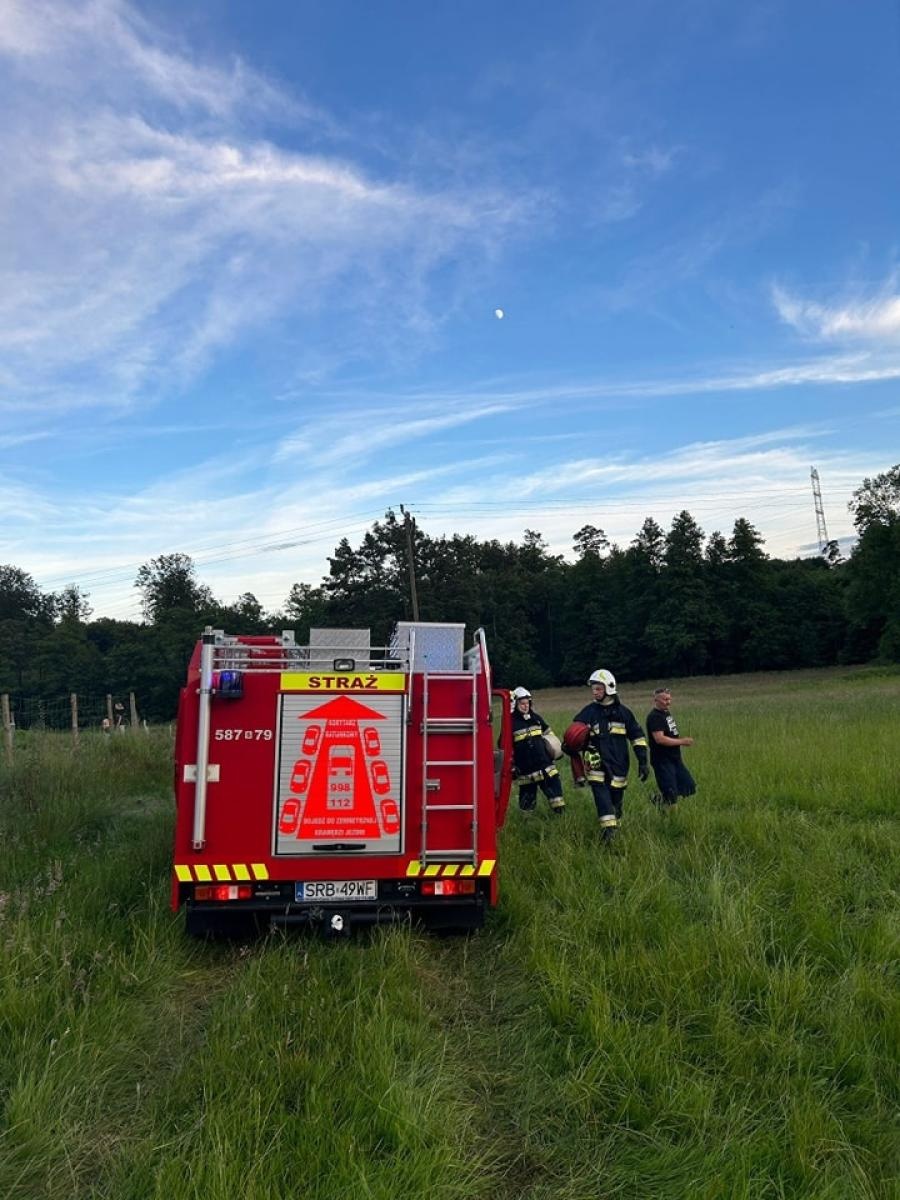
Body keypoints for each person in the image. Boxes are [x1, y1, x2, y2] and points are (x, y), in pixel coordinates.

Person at [570, 669, 648, 841]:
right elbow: (574, 732)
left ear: (609, 688)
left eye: (598, 688)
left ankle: (614, 825)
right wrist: (570, 744)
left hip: (619, 764)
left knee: (616, 801)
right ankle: (608, 833)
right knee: (601, 796)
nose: (595, 692)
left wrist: (643, 761)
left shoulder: (624, 713)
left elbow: (637, 737)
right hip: (596, 763)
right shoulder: (589, 711)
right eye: (593, 689)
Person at [510, 686, 565, 815]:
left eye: (527, 703)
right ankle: (528, 825)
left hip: (545, 766)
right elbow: (504, 745)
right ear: (515, 704)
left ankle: (561, 818)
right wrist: (512, 765)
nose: (525, 706)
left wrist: (555, 749)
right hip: (526, 770)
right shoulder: (510, 723)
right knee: (526, 806)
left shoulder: (536, 718)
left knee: (557, 798)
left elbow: (550, 735)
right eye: (522, 703)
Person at [646, 686, 696, 807]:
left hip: (675, 759)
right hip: (662, 761)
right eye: (665, 700)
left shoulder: (666, 713)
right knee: (671, 793)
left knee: (689, 787)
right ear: (656, 700)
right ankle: (665, 809)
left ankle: (659, 800)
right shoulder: (655, 717)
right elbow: (660, 739)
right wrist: (682, 741)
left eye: (669, 699)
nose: (668, 702)